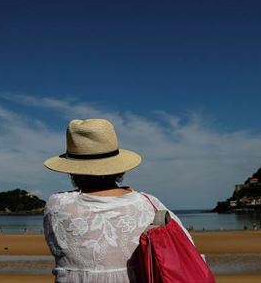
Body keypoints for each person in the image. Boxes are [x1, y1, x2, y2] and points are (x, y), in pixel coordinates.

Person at [42, 118, 197, 282]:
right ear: (118, 166)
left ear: (72, 169)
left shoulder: (57, 205)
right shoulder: (149, 204)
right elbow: (187, 248)